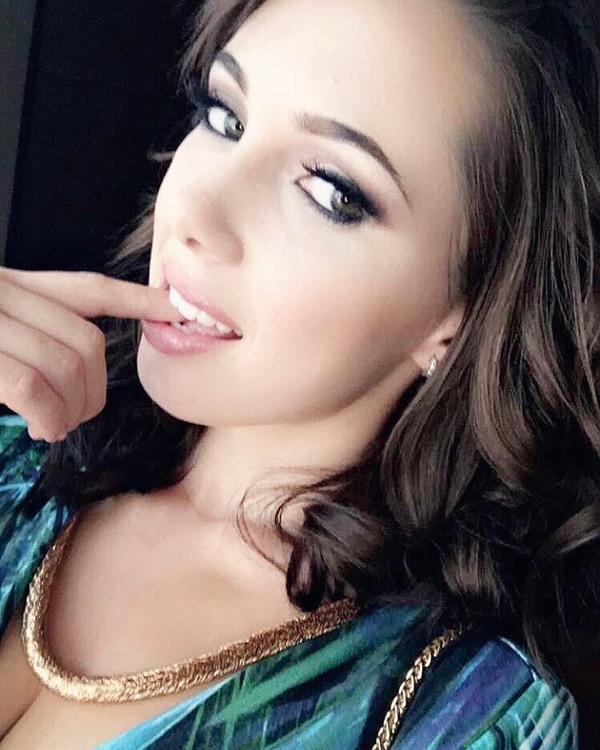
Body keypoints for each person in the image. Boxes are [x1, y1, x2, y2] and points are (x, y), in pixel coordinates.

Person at [0, 0, 597, 746]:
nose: (197, 212)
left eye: (331, 192)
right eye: (225, 117)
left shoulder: (471, 717)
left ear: (463, 311)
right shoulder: (21, 453)